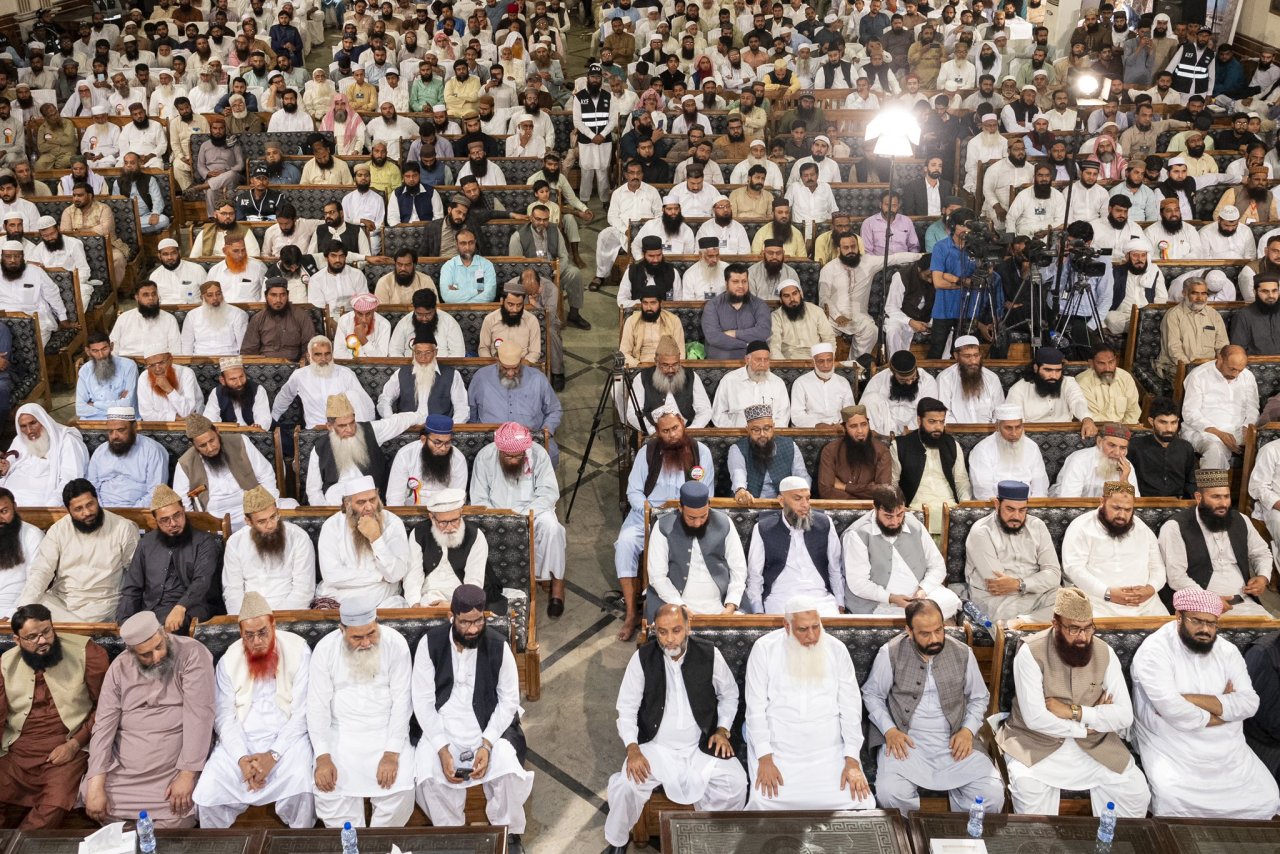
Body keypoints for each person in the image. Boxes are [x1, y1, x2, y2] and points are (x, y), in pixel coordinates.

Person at [995, 587, 1152, 816]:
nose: (1083, 637)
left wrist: (1075, 712)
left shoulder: (1104, 652)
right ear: (1056, 624)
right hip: (1036, 742)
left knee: (1136, 791)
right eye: (1074, 629)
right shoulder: (1031, 652)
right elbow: (1036, 719)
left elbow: (1124, 716)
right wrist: (1091, 723)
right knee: (1028, 788)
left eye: (1088, 628)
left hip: (1095, 746)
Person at [604, 602, 746, 854]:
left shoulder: (709, 654)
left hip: (700, 746)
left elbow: (729, 695)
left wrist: (722, 730)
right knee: (627, 785)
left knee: (736, 783)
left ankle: (711, 839)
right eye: (662, 632)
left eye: (676, 630)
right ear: (655, 631)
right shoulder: (642, 658)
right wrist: (633, 748)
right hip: (656, 747)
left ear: (688, 628)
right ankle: (617, 842)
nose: (670, 639)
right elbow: (626, 708)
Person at [1131, 588, 1280, 818]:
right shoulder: (1154, 651)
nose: (1205, 630)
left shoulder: (1227, 651)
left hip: (1228, 750)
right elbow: (1174, 711)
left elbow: (1250, 703)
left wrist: (1188, 699)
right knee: (1172, 796)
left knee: (1266, 797)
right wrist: (1225, 709)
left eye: (1212, 623)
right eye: (1197, 621)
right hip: (1171, 744)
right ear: (1178, 616)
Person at [411, 585, 532, 852]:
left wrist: (487, 744)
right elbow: (422, 701)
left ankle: (508, 833)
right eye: (466, 622)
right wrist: (442, 749)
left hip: (488, 725)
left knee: (508, 768)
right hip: (441, 727)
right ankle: (453, 835)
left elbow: (509, 701)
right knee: (427, 772)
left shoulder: (498, 645)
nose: (473, 629)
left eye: (479, 621)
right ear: (452, 617)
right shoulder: (430, 644)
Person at [863, 599, 1004, 815]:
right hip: (906, 740)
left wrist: (967, 731)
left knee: (993, 794)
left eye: (939, 630)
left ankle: (961, 840)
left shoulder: (962, 652)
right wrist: (889, 730)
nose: (935, 639)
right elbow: (872, 694)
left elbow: (979, 697)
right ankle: (911, 838)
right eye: (925, 634)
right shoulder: (890, 652)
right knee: (890, 792)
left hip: (953, 740)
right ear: (909, 631)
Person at [191, 592, 315, 828]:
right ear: (241, 633)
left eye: (262, 633)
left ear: (273, 626)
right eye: (249, 635)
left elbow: (302, 713)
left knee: (301, 787)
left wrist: (273, 755)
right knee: (207, 794)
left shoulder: (298, 650)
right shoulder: (230, 659)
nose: (257, 641)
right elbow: (224, 717)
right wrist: (241, 759)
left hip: (288, 741)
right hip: (241, 741)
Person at [84, 610, 215, 828]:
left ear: (163, 633)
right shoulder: (120, 667)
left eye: (159, 647)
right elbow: (104, 725)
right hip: (126, 767)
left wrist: (187, 774)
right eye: (145, 654)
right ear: (131, 652)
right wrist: (96, 781)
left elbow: (200, 716)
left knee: (178, 815)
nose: (156, 658)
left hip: (173, 764)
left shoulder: (192, 653)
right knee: (102, 807)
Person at [744, 598, 875, 810]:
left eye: (816, 627)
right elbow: (755, 709)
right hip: (780, 745)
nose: (812, 636)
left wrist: (852, 760)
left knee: (859, 801)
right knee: (764, 801)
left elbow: (851, 708)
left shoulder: (836, 649)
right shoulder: (764, 649)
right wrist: (764, 758)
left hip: (828, 745)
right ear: (787, 626)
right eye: (803, 629)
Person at [307, 599, 416, 827]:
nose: (366, 642)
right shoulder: (326, 649)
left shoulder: (395, 643)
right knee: (329, 790)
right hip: (341, 734)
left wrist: (392, 753)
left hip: (386, 732)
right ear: (342, 630)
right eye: (357, 637)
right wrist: (323, 756)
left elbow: (402, 702)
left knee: (400, 791)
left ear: (377, 624)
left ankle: (380, 847)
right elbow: (317, 705)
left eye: (371, 634)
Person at [0, 603, 109, 828]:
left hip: (67, 746)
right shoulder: (4, 664)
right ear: (17, 640)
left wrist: (75, 744)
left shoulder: (85, 652)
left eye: (47, 632)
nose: (42, 641)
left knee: (54, 804)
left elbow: (107, 708)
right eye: (32, 637)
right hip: (18, 750)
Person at [471, 422, 566, 617]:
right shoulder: (485, 457)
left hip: (534, 512)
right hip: (496, 515)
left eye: (518, 456)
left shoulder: (538, 454)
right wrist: (503, 517)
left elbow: (548, 492)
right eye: (508, 456)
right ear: (499, 451)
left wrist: (525, 515)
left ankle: (556, 584)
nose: (514, 460)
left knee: (553, 529)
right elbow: (479, 498)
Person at [1159, 469, 1272, 617]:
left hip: (1245, 602)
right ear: (1199, 497)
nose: (1223, 503)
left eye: (1226, 496)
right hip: (1198, 605)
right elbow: (1176, 576)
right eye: (1216, 497)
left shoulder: (1240, 520)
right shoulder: (1175, 527)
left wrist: (1263, 576)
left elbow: (1261, 552)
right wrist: (1208, 600)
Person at [116, 484, 221, 632]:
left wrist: (180, 607)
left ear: (184, 510)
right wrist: (123, 622)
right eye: (165, 520)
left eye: (177, 515)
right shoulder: (146, 543)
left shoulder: (204, 542)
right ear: (156, 520)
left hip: (193, 607)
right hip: (151, 610)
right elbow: (133, 586)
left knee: (162, 627)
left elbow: (202, 581)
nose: (173, 524)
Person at [842, 485, 955, 617]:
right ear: (875, 509)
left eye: (900, 514)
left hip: (920, 595)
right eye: (888, 516)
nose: (895, 522)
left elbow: (937, 565)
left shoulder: (914, 525)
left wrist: (923, 590)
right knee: (921, 616)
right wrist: (892, 598)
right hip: (879, 601)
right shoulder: (857, 534)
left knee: (950, 602)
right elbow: (858, 583)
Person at [1062, 481, 1169, 617]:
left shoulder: (1142, 529)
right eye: (1116, 508)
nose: (1122, 515)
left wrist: (1150, 589)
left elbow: (1157, 567)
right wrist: (1107, 593)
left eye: (1128, 509)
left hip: (1145, 605)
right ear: (1102, 502)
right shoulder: (1082, 527)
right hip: (1098, 604)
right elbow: (1073, 568)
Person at [743, 477, 844, 616]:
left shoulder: (825, 523)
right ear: (781, 500)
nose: (805, 505)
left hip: (821, 598)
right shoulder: (763, 528)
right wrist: (757, 610)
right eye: (797, 499)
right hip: (780, 598)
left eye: (807, 498)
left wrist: (840, 602)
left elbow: (835, 568)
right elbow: (754, 575)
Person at [965, 480, 1062, 623]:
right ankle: (1026, 624)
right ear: (997, 505)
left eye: (1022, 510)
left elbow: (1054, 574)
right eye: (1010, 509)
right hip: (998, 600)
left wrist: (1020, 584)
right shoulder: (982, 532)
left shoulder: (1037, 526)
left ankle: (1023, 623)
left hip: (1039, 593)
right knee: (1059, 618)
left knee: (1074, 606)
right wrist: (1037, 582)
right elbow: (998, 585)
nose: (1016, 516)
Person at [172, 415, 281, 530]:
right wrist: (199, 524)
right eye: (203, 445)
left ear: (217, 432)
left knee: (290, 506)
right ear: (194, 445)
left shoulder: (240, 442)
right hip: (214, 519)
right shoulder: (185, 463)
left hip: (254, 510)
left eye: (212, 440)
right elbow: (182, 501)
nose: (210, 448)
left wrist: (269, 507)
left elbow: (265, 474)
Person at [222, 487, 315, 615]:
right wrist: (245, 619)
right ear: (248, 521)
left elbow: (303, 591)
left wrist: (275, 618)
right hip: (249, 617)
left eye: (273, 517)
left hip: (289, 614)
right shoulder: (235, 543)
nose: (271, 525)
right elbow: (233, 592)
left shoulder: (299, 537)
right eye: (262, 521)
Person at [468, 342, 563, 464]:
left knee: (550, 454)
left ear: (522, 361)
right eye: (505, 368)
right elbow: (471, 410)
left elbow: (554, 410)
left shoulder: (537, 378)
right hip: (492, 441)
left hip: (531, 439)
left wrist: (546, 431)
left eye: (515, 368)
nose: (510, 373)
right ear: (497, 360)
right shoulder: (481, 377)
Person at [403, 490, 495, 609]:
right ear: (432, 517)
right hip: (426, 596)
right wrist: (416, 605)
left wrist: (455, 606)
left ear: (461, 513)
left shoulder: (475, 535)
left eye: (455, 520)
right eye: (443, 522)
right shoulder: (419, 533)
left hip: (462, 597)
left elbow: (474, 581)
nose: (450, 527)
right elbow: (412, 575)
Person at [892, 398, 971, 534]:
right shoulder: (900, 446)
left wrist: (964, 506)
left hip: (950, 507)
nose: (938, 427)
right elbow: (892, 484)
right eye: (932, 422)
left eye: (941, 422)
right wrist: (898, 506)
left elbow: (961, 481)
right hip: (916, 509)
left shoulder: (952, 444)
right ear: (919, 420)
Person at [1181, 345, 1258, 470]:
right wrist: (1219, 433)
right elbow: (1190, 413)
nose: (1236, 374)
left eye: (1240, 370)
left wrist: (1246, 428)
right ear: (1220, 359)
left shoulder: (1247, 376)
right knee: (1214, 449)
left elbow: (1253, 408)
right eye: (1232, 369)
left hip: (1238, 431)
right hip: (1204, 431)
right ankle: (1211, 489)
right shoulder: (1198, 376)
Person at [272, 337, 376, 428]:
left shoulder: (346, 374)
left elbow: (366, 403)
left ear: (332, 354)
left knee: (354, 396)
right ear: (309, 357)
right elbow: (284, 397)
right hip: (315, 432)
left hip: (342, 431)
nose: (323, 359)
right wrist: (272, 420)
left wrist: (367, 432)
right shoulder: (299, 375)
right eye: (318, 354)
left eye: (327, 354)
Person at [0, 404, 89, 507]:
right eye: (23, 426)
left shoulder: (67, 441)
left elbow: (70, 480)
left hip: (40, 506)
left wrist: (50, 507)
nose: (29, 431)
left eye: (33, 423)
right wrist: (5, 468)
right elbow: (7, 465)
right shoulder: (19, 440)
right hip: (6, 502)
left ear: (43, 420)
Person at [84, 407, 167, 509]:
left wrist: (131, 513)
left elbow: (157, 491)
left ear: (134, 427)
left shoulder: (152, 450)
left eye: (120, 430)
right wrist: (101, 510)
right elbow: (91, 487)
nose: (114, 436)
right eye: (110, 431)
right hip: (102, 511)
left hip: (138, 512)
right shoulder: (100, 452)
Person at [1004, 347, 1098, 435]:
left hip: (1065, 435)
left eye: (1058, 371)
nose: (1054, 375)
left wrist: (1086, 418)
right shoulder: (1019, 389)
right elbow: (1013, 421)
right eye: (1048, 370)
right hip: (1029, 436)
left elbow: (1078, 401)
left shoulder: (1068, 383)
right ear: (1036, 368)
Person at [728, 405, 809, 503]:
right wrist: (740, 490)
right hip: (751, 505)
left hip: (784, 505)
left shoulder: (790, 445)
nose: (762, 434)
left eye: (767, 428)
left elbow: (802, 476)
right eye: (756, 430)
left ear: (773, 427)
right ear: (748, 430)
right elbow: (738, 474)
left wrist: (795, 495)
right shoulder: (738, 448)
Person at [386, 415, 469, 508]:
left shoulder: (458, 458)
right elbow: (394, 497)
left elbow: (456, 497)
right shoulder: (405, 455)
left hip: (444, 512)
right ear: (423, 439)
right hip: (410, 511)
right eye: (437, 443)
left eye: (447, 443)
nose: (443, 448)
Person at [1155, 278, 1228, 379]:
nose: (1200, 298)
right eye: (1195, 293)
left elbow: (1222, 347)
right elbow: (1174, 350)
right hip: (1179, 367)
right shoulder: (1173, 315)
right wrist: (1193, 370)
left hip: (1209, 368)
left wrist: (1221, 367)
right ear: (1184, 293)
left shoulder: (1214, 315)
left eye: (1203, 293)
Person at [816, 405, 892, 500]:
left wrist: (844, 487)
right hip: (838, 510)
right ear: (844, 428)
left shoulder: (882, 451)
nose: (860, 431)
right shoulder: (830, 451)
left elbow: (883, 492)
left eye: (864, 424)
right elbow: (825, 491)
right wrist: (867, 491)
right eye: (853, 426)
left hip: (872, 510)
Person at [1128, 397, 1197, 499]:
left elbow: (1191, 483)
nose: (1169, 429)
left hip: (1178, 504)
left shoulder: (1186, 448)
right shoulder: (1135, 447)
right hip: (1143, 503)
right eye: (1163, 422)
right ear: (1151, 421)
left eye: (1173, 423)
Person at [711, 342, 791, 428]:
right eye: (758, 359)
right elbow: (718, 414)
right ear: (747, 360)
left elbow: (783, 417)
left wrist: (767, 433)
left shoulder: (778, 383)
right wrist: (735, 432)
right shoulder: (730, 380)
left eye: (766, 360)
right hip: (737, 435)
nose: (763, 364)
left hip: (769, 437)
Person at [702, 264, 771, 361]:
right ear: (726, 284)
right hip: (720, 362)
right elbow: (713, 337)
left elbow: (763, 331)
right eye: (735, 282)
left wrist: (734, 333)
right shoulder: (712, 305)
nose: (741, 286)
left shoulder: (759, 305)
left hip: (753, 363)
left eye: (744, 281)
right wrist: (746, 344)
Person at [1053, 423, 1139, 498]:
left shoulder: (1127, 466)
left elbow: (1133, 504)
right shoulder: (1080, 460)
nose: (1117, 453)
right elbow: (1069, 500)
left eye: (1122, 448)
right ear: (1099, 441)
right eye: (1112, 445)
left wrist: (1124, 480)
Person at [935, 335, 1005, 423]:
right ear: (956, 356)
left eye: (976, 355)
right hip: (957, 432)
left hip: (988, 432)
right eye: (967, 356)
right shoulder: (945, 378)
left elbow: (999, 411)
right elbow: (943, 413)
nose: (973, 361)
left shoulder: (992, 378)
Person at [109, 281, 182, 358]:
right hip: (126, 362)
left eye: (154, 294)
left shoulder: (169, 319)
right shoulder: (124, 318)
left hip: (158, 365)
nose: (151, 298)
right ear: (137, 298)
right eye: (145, 295)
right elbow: (113, 346)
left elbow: (175, 350)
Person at [789, 344, 855, 428]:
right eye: (821, 361)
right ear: (814, 362)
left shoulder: (843, 382)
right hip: (812, 430)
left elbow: (849, 412)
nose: (826, 365)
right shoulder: (801, 383)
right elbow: (797, 415)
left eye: (829, 360)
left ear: (834, 360)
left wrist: (840, 426)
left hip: (839, 430)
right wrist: (819, 425)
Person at [769, 281, 835, 362]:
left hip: (816, 360)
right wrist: (784, 367)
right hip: (788, 361)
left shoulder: (817, 311)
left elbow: (829, 339)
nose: (792, 299)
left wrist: (825, 361)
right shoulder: (776, 317)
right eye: (786, 296)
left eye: (795, 294)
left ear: (801, 294)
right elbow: (773, 346)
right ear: (781, 300)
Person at [136, 346, 202, 422]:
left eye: (161, 363)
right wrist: (174, 418)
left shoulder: (186, 374)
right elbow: (146, 414)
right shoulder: (144, 378)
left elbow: (187, 412)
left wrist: (169, 389)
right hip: (158, 427)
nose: (157, 369)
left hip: (192, 425)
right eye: (152, 365)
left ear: (170, 360)